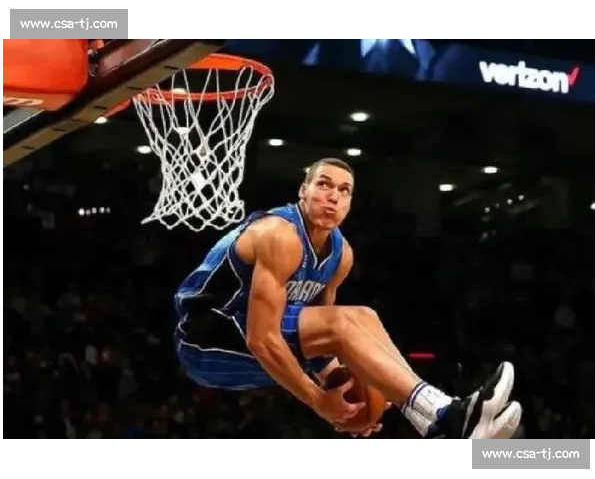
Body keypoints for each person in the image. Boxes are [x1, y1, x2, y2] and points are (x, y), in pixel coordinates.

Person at [173, 157, 521, 438]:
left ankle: (435, 423)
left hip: (252, 340)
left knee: (364, 316)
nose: (333, 196)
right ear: (303, 191)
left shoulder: (341, 256)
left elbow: (319, 340)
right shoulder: (279, 235)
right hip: (204, 338)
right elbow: (261, 338)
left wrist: (347, 395)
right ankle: (447, 414)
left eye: (344, 190)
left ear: (350, 204)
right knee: (343, 322)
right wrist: (317, 400)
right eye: (323, 184)